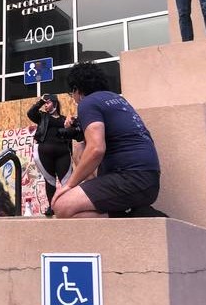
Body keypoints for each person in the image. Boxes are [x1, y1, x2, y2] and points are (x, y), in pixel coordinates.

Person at [51, 62, 161, 219]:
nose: (74, 99)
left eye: (72, 93)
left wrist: (69, 185)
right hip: (149, 181)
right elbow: (92, 142)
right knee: (80, 149)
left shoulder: (87, 103)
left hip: (130, 179)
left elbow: (96, 149)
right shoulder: (117, 100)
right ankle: (130, 212)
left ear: (77, 90)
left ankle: (128, 218)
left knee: (62, 206)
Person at [27, 94, 72, 216]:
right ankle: (52, 207)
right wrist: (40, 101)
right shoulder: (42, 117)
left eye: (48, 102)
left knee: (67, 181)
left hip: (62, 153)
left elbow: (72, 134)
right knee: (50, 181)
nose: (46, 105)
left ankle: (69, 205)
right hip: (44, 153)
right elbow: (30, 113)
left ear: (55, 103)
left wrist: (71, 125)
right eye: (45, 103)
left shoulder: (64, 119)